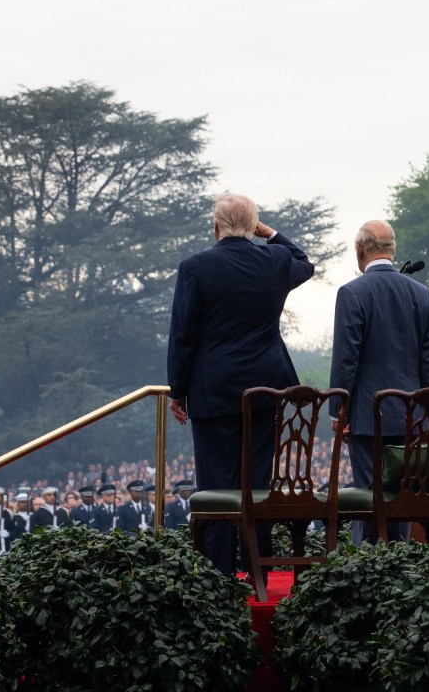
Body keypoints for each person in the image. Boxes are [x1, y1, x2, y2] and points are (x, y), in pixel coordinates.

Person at [167, 192, 313, 575]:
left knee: (216, 487)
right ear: (254, 227)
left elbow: (183, 336)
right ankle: (258, 566)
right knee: (258, 484)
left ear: (214, 227)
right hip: (266, 391)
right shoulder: (275, 261)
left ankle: (218, 571)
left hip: (212, 391)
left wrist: (177, 390)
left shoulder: (194, 268)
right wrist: (271, 233)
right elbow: (305, 263)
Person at [328, 219, 429, 542]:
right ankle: (398, 567)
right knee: (400, 499)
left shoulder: (352, 293)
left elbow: (346, 360)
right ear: (392, 250)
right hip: (412, 417)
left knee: (370, 500)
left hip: (366, 416)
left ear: (359, 250)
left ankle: (371, 572)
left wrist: (338, 410)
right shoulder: (421, 294)